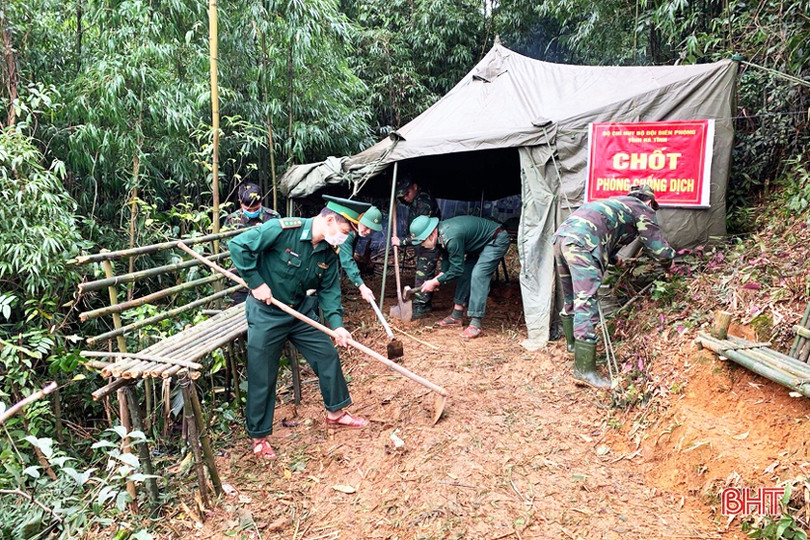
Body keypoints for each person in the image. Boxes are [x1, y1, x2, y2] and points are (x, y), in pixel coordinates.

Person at [229, 195, 369, 461]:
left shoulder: (328, 252)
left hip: (300, 312)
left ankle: (336, 414)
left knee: (326, 354)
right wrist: (256, 283)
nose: (343, 238)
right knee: (262, 374)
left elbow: (329, 290)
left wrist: (337, 326)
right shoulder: (282, 229)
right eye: (343, 231)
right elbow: (238, 245)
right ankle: (259, 437)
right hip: (267, 313)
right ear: (329, 220)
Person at [552, 184, 676, 389]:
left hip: (562, 239)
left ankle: (573, 346)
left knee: (572, 297)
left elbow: (603, 235)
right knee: (586, 300)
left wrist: (617, 260)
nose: (652, 211)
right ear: (649, 201)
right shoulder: (642, 208)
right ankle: (584, 370)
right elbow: (658, 248)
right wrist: (669, 264)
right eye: (653, 206)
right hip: (582, 243)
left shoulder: (616, 204)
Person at [405, 214, 510, 339]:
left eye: (422, 241)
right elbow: (447, 259)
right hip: (477, 245)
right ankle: (456, 316)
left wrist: (435, 282)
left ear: (432, 234)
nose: (422, 245)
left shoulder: (451, 237)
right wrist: (440, 276)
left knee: (478, 275)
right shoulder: (440, 235)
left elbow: (456, 270)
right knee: (465, 273)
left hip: (495, 239)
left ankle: (476, 323)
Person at [223, 182, 282, 304]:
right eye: (248, 209)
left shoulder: (273, 217)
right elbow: (227, 250)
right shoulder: (232, 220)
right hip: (241, 279)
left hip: (268, 277)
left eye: (256, 209)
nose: (252, 212)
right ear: (239, 200)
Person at [392, 177, 441, 319]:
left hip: (429, 244)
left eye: (406, 193)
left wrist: (400, 242)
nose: (405, 198)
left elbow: (421, 233)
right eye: (402, 195)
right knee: (424, 273)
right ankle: (425, 304)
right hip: (422, 244)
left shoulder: (423, 202)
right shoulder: (415, 199)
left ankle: (421, 308)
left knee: (423, 274)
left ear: (415, 186)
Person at [338, 206, 384, 303]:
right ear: (360, 219)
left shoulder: (355, 230)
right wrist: (361, 286)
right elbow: (346, 261)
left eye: (371, 229)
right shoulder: (347, 231)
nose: (368, 232)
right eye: (366, 227)